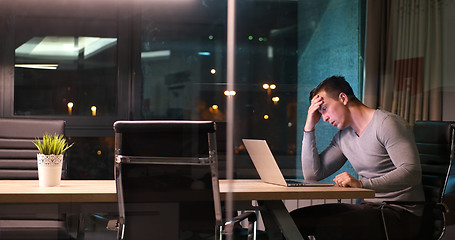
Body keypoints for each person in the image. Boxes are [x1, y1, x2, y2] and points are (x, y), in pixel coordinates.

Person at [290, 76, 424, 240]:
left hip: (401, 212)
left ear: (343, 98)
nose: (323, 118)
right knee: (295, 220)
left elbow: (412, 173)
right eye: (319, 112)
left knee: (329, 227)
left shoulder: (386, 124)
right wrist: (309, 126)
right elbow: (312, 174)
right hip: (370, 208)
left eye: (324, 109)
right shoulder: (343, 138)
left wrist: (362, 184)